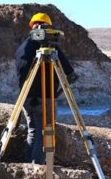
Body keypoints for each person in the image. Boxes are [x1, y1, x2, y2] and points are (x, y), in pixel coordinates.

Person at [15, 12, 76, 164]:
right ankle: (39, 167)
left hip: (26, 96)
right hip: (44, 97)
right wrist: (58, 91)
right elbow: (70, 74)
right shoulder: (47, 47)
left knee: (33, 131)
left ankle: (29, 165)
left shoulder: (23, 46)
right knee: (44, 133)